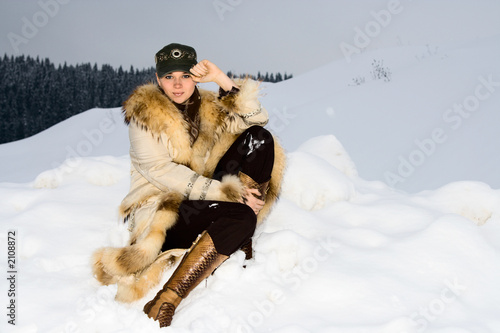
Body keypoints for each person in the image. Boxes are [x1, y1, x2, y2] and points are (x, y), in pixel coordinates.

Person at [92, 43, 286, 327]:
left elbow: (257, 119)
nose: (178, 84)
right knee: (240, 213)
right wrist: (228, 192)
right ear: (158, 79)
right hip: (165, 209)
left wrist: (221, 79)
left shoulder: (208, 107)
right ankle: (168, 298)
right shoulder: (144, 116)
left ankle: (240, 233)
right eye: (169, 77)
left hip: (203, 198)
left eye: (185, 76)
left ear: (195, 77)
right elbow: (162, 171)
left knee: (259, 138)